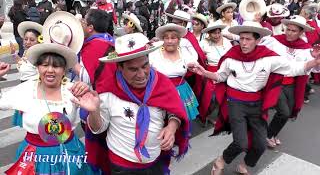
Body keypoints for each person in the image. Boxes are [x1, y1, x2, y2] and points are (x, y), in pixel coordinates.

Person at [187, 21, 320, 174]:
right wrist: (204, 72)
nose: (243, 43)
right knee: (241, 143)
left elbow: (295, 68)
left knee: (260, 145)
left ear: (257, 40)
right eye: (242, 38)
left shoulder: (269, 57)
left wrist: (314, 62)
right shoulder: (231, 56)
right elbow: (220, 76)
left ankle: (243, 164)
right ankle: (221, 160)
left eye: (248, 39)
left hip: (257, 104)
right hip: (235, 102)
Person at [73, 33, 190, 174]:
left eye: (145, 66)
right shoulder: (108, 89)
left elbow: (175, 111)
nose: (141, 74)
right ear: (120, 68)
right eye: (133, 69)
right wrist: (94, 111)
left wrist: (171, 127)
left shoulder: (162, 84)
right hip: (121, 166)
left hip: (155, 163)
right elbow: (99, 128)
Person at [1, 42, 94, 174]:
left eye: (56, 66)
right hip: (34, 157)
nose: (50, 70)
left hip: (70, 153)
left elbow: (95, 123)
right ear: (38, 67)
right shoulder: (26, 89)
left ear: (64, 70)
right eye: (44, 65)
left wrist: (88, 93)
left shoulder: (73, 90)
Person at [259, 15, 320, 147]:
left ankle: (273, 133)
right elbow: (259, 48)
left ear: (301, 32)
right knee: (284, 112)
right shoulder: (274, 41)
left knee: (289, 111)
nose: (289, 33)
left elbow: (312, 69)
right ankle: (268, 135)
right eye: (288, 29)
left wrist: (315, 59)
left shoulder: (305, 48)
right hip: (275, 82)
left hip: (292, 84)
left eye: (293, 31)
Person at [150, 23, 199, 122]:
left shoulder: (184, 52)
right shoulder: (154, 53)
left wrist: (192, 66)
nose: (169, 41)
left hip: (182, 91)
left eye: (173, 38)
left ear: (179, 40)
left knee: (183, 122)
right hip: (161, 92)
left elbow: (193, 62)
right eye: (166, 38)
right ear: (162, 39)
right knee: (162, 122)